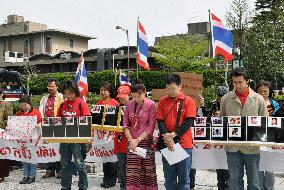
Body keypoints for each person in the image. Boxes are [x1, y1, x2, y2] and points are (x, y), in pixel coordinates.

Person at [220, 67, 268, 190]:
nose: (237, 85)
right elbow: (222, 122)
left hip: (252, 148)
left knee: (254, 183)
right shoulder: (226, 99)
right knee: (234, 182)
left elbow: (265, 123)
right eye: (234, 82)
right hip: (232, 147)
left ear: (248, 81)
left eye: (240, 82)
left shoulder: (258, 99)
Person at [157, 74, 196, 190]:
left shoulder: (188, 101)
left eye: (173, 89)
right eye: (168, 89)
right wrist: (168, 139)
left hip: (184, 145)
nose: (170, 91)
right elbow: (159, 121)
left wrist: (173, 135)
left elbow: (189, 122)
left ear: (180, 87)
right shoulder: (163, 101)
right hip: (167, 145)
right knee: (169, 179)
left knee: (184, 180)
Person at [123, 79, 158, 190]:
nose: (136, 99)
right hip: (132, 144)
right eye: (133, 96)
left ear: (144, 92)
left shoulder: (151, 104)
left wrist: (137, 140)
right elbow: (125, 125)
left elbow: (151, 126)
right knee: (133, 172)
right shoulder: (129, 104)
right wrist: (131, 140)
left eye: (139, 96)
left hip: (145, 142)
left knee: (148, 171)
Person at [57, 80, 90, 190]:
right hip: (64, 140)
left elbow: (87, 121)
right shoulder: (62, 105)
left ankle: (83, 187)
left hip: (77, 140)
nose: (68, 95)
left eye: (70, 93)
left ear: (76, 92)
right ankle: (65, 187)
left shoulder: (81, 104)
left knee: (80, 165)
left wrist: (87, 140)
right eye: (65, 93)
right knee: (64, 165)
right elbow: (57, 121)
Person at [255, 79, 282, 190]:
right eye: (260, 91)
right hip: (257, 137)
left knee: (270, 169)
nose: (262, 93)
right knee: (258, 167)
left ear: (269, 91)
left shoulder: (275, 104)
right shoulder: (253, 103)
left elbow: (280, 123)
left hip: (272, 139)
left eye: (265, 91)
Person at [39, 78, 64, 179]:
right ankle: (49, 170)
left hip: (58, 125)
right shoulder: (44, 98)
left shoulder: (61, 97)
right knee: (48, 147)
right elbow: (41, 110)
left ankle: (59, 170)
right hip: (47, 126)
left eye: (52, 86)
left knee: (58, 148)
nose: (50, 88)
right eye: (48, 86)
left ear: (57, 87)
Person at [95, 81, 118, 188]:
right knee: (105, 157)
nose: (103, 92)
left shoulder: (115, 103)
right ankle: (106, 178)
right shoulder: (98, 103)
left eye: (105, 90)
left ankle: (112, 179)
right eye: (101, 90)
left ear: (110, 91)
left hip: (112, 136)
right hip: (101, 135)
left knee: (112, 158)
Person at [18, 95, 42, 184]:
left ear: (29, 104)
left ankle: (32, 176)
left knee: (32, 157)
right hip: (23, 139)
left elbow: (42, 123)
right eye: (21, 105)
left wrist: (38, 125)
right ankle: (25, 175)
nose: (23, 107)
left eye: (25, 105)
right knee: (24, 157)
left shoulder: (36, 112)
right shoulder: (18, 113)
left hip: (33, 139)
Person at [115, 85, 131, 190]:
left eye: (123, 96)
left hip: (131, 141)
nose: (121, 98)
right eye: (119, 96)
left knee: (132, 167)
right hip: (119, 142)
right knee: (122, 166)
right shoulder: (116, 108)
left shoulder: (135, 107)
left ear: (130, 95)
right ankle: (123, 187)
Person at [0, 91, 13, 183]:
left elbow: (8, 119)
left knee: (2, 153)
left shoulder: (7, 104)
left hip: (2, 131)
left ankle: (1, 174)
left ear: (1, 95)